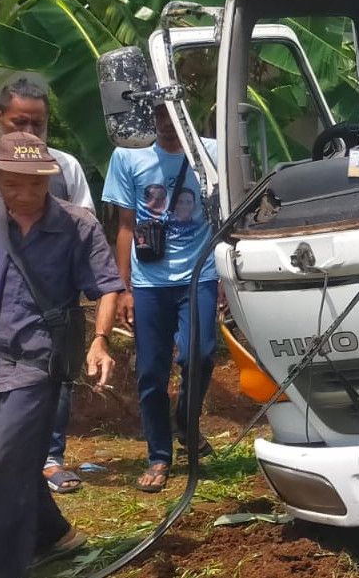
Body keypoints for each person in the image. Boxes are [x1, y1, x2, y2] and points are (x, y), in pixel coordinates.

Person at [0, 132, 123, 578]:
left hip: (39, 363)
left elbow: (107, 286)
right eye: (13, 184)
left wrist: (100, 340)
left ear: (50, 180)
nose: (26, 194)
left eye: (37, 184)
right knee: (10, 459)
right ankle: (55, 535)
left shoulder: (78, 225)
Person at [0, 78, 95, 495]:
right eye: (19, 122)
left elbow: (82, 221)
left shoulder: (65, 166)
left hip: (52, 296)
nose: (30, 133)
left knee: (53, 376)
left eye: (39, 124)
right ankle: (9, 468)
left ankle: (50, 458)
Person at [102, 104, 218, 493]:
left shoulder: (212, 154)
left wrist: (225, 278)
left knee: (198, 355)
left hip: (199, 275)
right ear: (149, 117)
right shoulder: (128, 157)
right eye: (159, 115)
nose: (167, 124)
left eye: (174, 113)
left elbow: (224, 217)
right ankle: (159, 455)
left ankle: (186, 422)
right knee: (151, 373)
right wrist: (124, 289)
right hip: (149, 282)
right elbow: (125, 226)